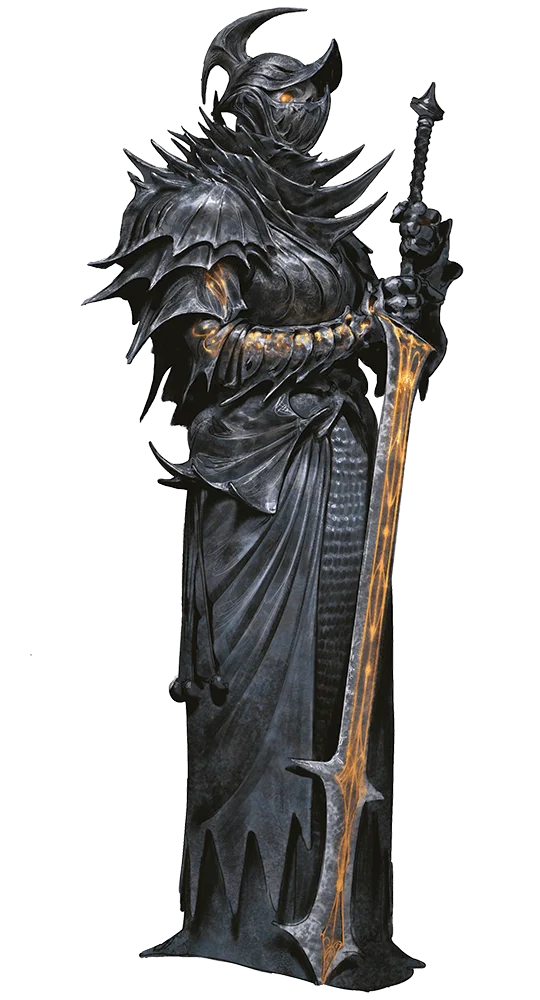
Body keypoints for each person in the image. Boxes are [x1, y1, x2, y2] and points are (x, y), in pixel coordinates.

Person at [87, 9, 460, 990]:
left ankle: (342, 920)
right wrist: (351, 336)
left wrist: (422, 287)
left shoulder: (322, 225)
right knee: (257, 710)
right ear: (247, 102)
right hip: (255, 492)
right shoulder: (205, 205)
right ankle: (247, 920)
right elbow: (209, 354)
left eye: (319, 93)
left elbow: (402, 354)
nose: (314, 109)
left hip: (340, 469)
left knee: (346, 689)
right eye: (293, 93)